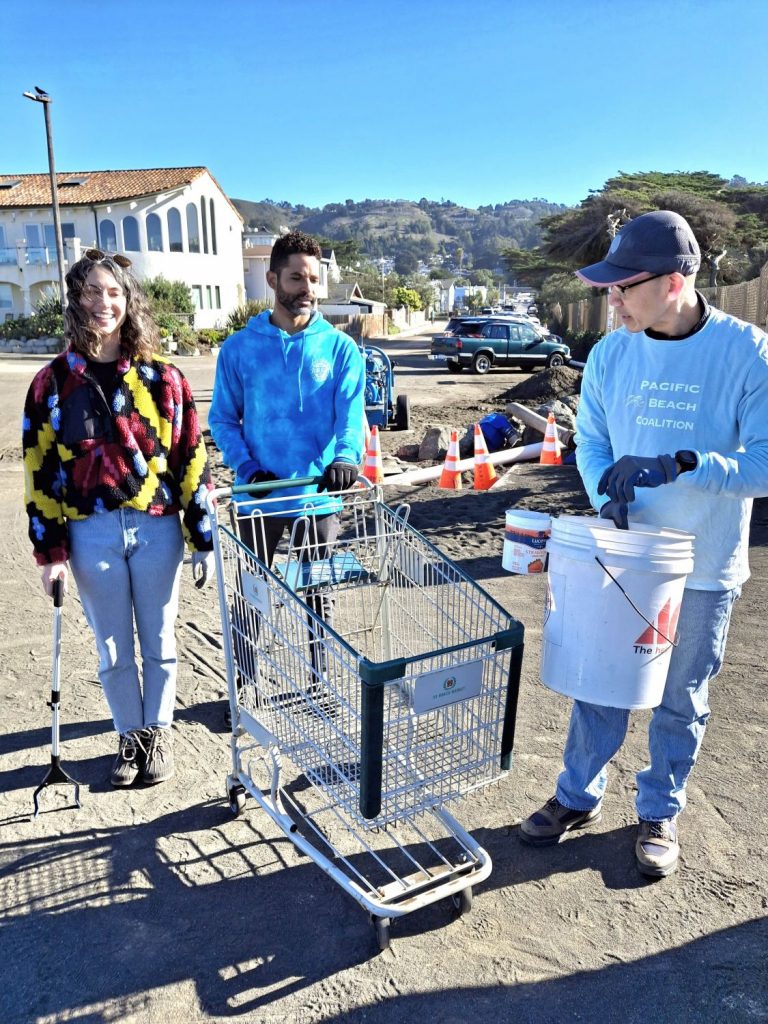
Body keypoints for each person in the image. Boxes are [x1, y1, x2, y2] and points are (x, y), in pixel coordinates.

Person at [520, 211, 768, 878]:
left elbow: (766, 464)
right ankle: (577, 795)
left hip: (705, 565)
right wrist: (605, 489)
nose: (613, 300)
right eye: (608, 287)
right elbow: (592, 439)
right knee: (600, 684)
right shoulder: (610, 354)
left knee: (681, 696)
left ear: (676, 280)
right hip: (622, 554)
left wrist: (688, 463)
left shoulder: (748, 352)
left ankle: (659, 808)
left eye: (624, 286)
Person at [23, 249, 215, 788]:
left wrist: (201, 536)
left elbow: (190, 458)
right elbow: (40, 472)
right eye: (91, 292)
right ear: (76, 302)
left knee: (159, 640)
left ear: (129, 301)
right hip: (91, 533)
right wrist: (51, 554)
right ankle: (130, 737)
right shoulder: (52, 384)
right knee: (111, 648)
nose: (103, 302)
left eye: (113, 292)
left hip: (155, 527)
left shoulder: (163, 378)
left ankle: (159, 734)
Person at [208, 231, 365, 704]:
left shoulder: (340, 349)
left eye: (314, 279)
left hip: (318, 494)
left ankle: (320, 683)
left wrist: (345, 458)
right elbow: (221, 419)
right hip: (259, 496)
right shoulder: (239, 349)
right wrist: (247, 468)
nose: (307, 288)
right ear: (273, 278)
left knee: (320, 592)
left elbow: (350, 415)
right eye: (297, 277)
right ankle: (245, 685)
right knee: (251, 593)